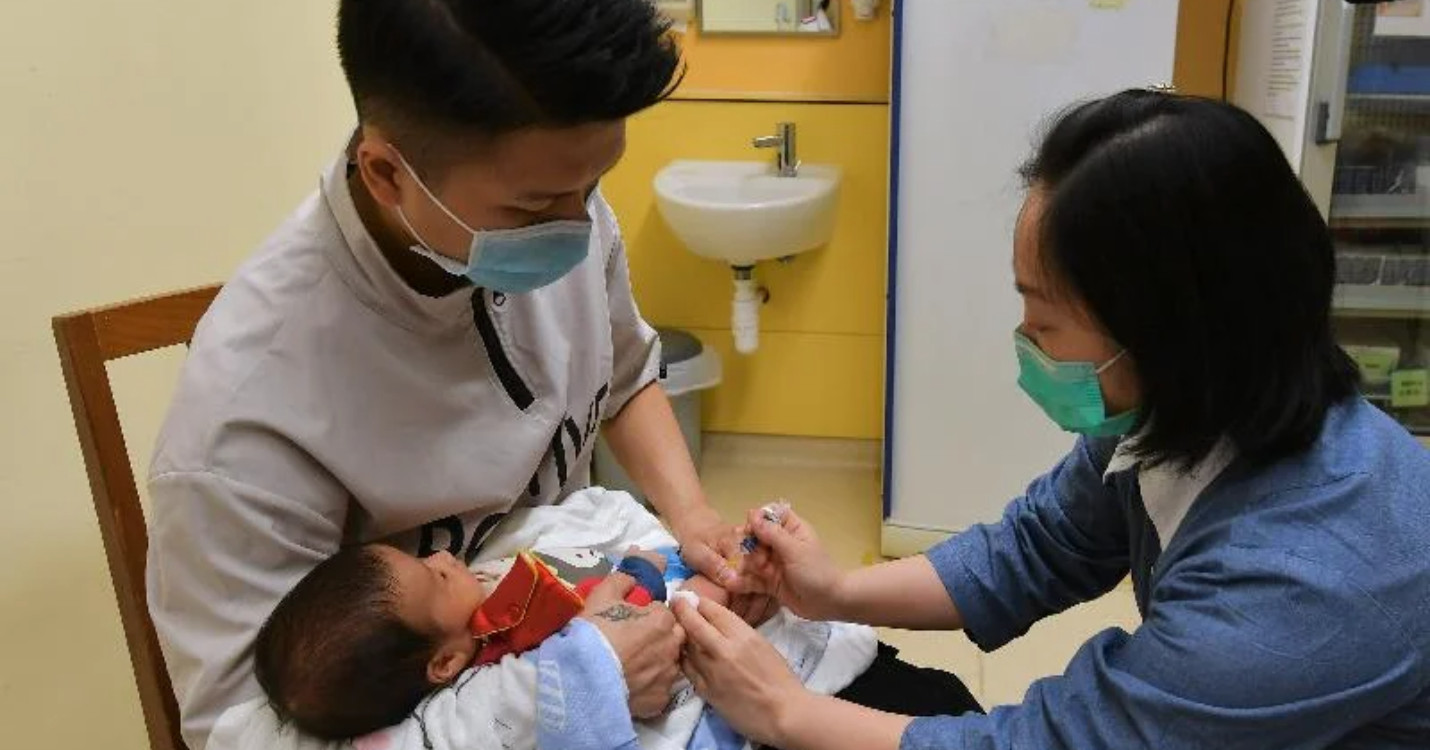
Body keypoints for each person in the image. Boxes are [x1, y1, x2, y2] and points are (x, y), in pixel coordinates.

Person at [148, 2, 979, 748]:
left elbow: (624, 374)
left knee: (934, 708)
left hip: (604, 612)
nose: (577, 227)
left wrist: (692, 525)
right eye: (537, 207)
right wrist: (559, 696)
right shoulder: (247, 417)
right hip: (505, 707)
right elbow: (242, 731)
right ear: (389, 173)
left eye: (593, 185)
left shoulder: (550, 205)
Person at [674, 90, 1430, 749]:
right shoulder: (1177, 416)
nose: (1025, 343)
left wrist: (783, 710)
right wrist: (832, 593)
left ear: (1167, 333)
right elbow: (1039, 547)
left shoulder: (1308, 583)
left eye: (1045, 320)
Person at [252, 544, 719, 740]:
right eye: (436, 576)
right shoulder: (515, 671)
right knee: (696, 606)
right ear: (447, 661)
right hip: (653, 632)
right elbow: (618, 630)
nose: (443, 556)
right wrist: (640, 572)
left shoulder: (451, 640)